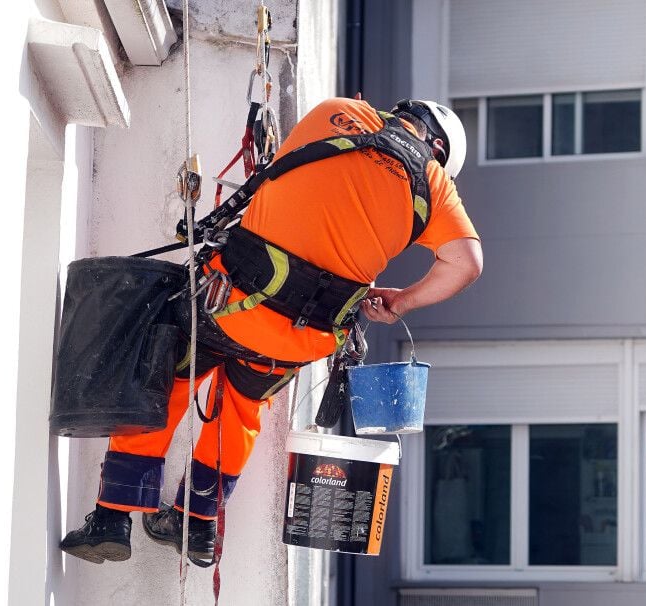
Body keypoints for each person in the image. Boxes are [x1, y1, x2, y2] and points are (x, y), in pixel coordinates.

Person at [59, 96, 482, 565]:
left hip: (229, 303)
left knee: (166, 383)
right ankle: (196, 522)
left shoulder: (336, 111)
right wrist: (401, 300)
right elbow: (465, 264)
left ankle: (113, 515)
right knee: (240, 411)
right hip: (299, 338)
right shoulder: (436, 186)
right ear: (439, 149)